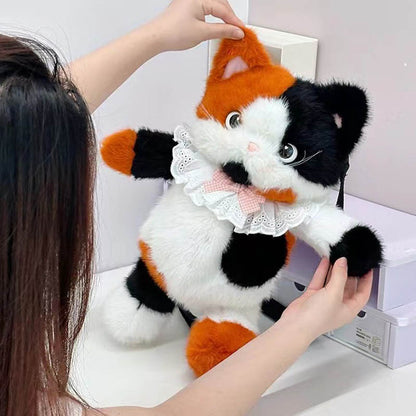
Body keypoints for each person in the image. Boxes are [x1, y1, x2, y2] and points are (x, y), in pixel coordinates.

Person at [0, 1, 373, 415]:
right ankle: (148, 295)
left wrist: (154, 36)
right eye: (236, 122)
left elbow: (29, 123)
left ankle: (216, 322)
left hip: (231, 300)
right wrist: (301, 326)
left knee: (222, 333)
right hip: (161, 274)